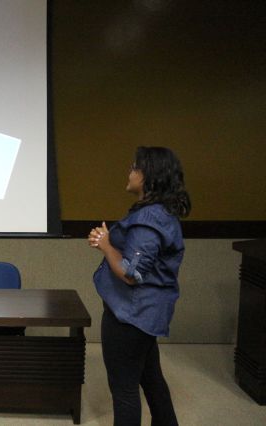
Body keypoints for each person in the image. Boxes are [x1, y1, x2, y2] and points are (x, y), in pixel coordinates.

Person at [88, 146, 191, 426]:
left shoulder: (149, 219)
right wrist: (108, 242)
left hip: (130, 317)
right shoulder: (157, 213)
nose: (130, 171)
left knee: (124, 390)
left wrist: (106, 245)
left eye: (135, 167)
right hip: (142, 314)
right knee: (151, 378)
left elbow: (130, 273)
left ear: (150, 175)